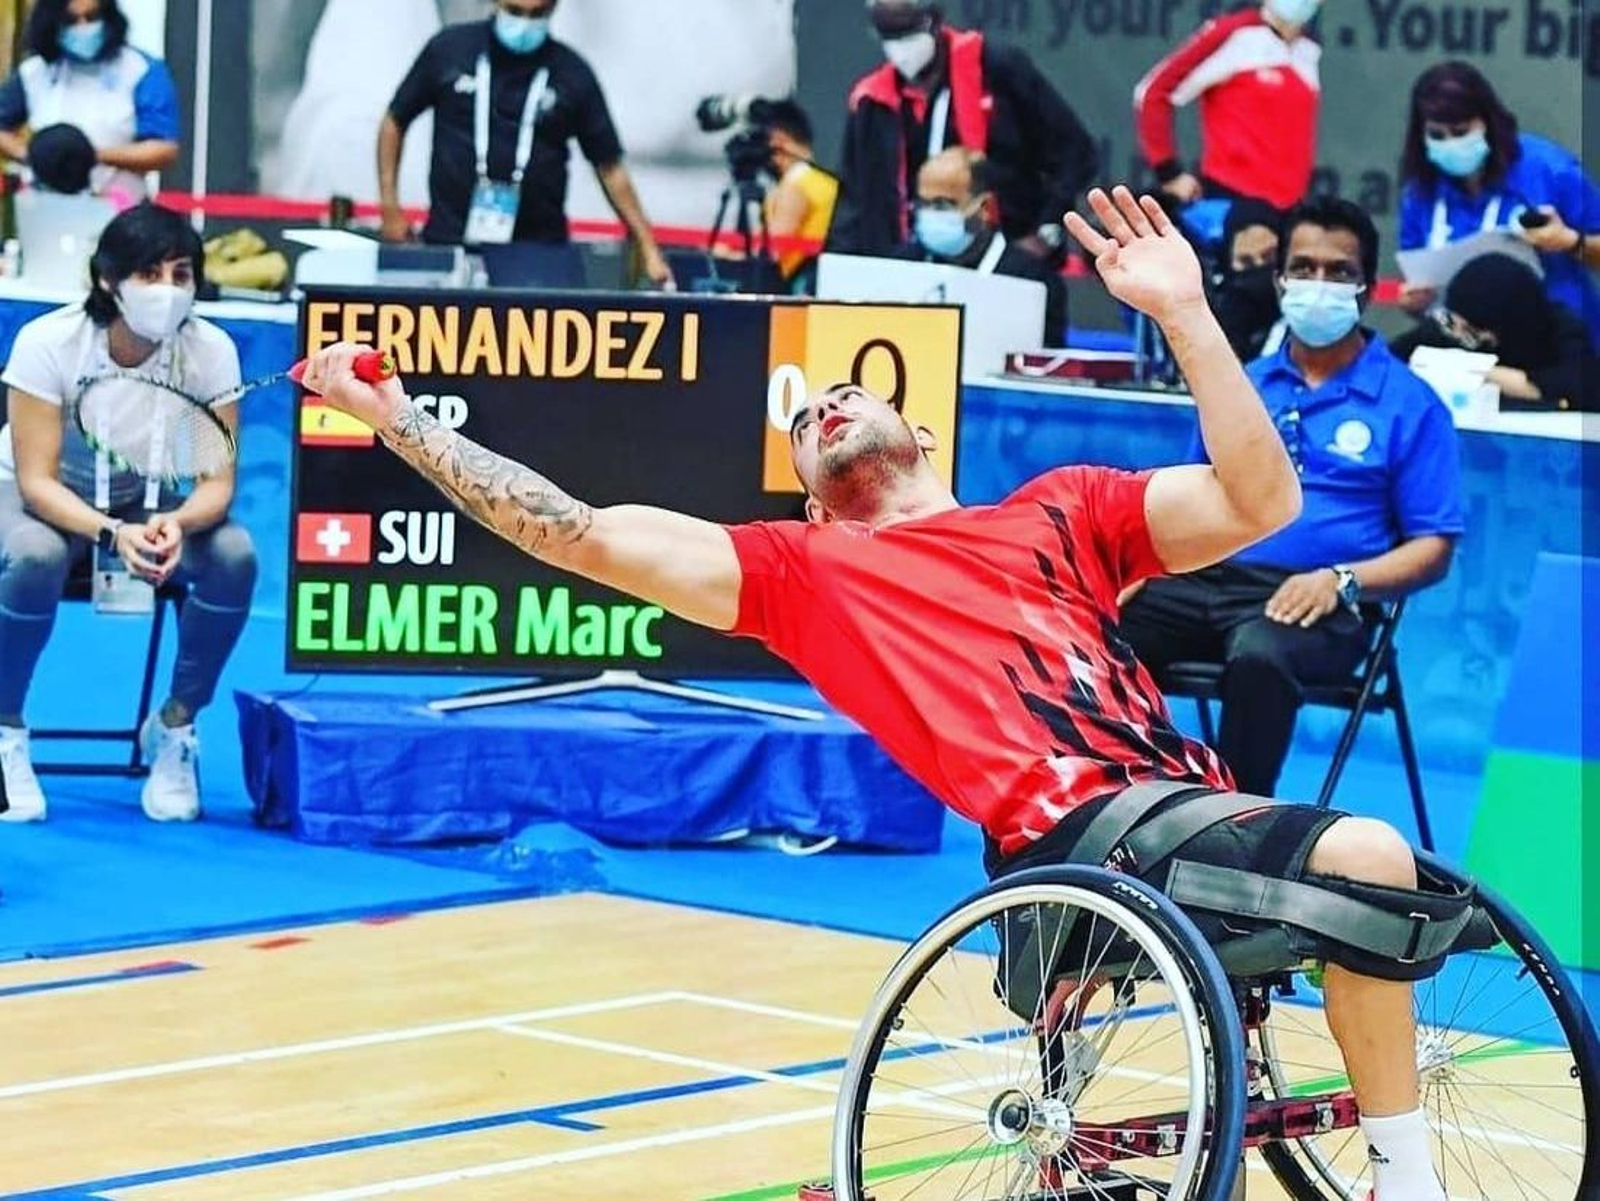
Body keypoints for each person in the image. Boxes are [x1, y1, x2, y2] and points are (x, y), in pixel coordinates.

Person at [304, 185, 1462, 1201]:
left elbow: (1260, 505)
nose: (822, 408)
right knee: (1365, 854)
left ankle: (1383, 1152)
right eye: (805, 423)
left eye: (847, 394)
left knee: (1391, 880)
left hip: (1182, 804)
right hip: (1073, 840)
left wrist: (1188, 314)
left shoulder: (1063, 509)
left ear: (924, 431)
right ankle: (1408, 1183)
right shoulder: (802, 572)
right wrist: (394, 418)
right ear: (808, 500)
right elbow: (576, 533)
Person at [1120, 197, 1463, 799]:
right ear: (1279, 279)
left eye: (1338, 272)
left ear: (1365, 288)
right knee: (1100, 627)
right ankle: (1113, 801)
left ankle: (1232, 826)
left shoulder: (1410, 403)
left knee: (1258, 655)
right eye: (1303, 268)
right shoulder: (1242, 381)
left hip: (1320, 602)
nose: (1318, 284)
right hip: (1211, 578)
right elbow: (1191, 491)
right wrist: (1137, 566)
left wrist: (1341, 580)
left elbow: (1433, 547)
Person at [0, 203, 256, 824]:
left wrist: (181, 523)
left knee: (233, 555)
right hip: (49, 500)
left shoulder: (211, 352)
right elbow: (35, 481)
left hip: (153, 503)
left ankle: (174, 724)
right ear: (107, 280)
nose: (167, 290)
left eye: (181, 273)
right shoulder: (49, 342)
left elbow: (215, 483)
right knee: (35, 556)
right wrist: (114, 532)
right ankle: (4, 728)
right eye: (149, 274)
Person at [377, 0, 674, 287]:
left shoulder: (572, 73)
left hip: (539, 250)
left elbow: (609, 166)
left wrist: (648, 246)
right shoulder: (449, 50)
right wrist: (390, 207)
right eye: (515, 11)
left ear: (554, 8)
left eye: (538, 13)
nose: (524, 24)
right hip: (451, 239)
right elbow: (394, 122)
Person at [826, 0, 1098, 260]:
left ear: (933, 20)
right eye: (889, 35)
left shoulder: (998, 69)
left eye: (908, 32)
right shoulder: (872, 102)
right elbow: (853, 201)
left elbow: (1075, 152)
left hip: (1004, 256)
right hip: (904, 264)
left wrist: (1045, 232)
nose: (900, 47)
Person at [1396, 61, 1600, 347]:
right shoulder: (1420, 191)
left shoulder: (1550, 170)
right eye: (1437, 135)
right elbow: (1421, 282)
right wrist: (1417, 304)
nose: (1450, 143)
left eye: (1460, 131)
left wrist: (1569, 242)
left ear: (1488, 122)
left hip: (1556, 346)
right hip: (1464, 347)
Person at [1134, 0, 1321, 211]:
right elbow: (1153, 92)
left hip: (1290, 209)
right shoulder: (1235, 33)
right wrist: (1169, 173)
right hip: (1232, 201)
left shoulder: (1309, 50)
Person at [0, 0, 180, 202]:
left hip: (120, 205)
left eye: (92, 17)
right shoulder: (34, 72)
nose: (83, 28)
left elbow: (164, 149)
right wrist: (35, 156)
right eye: (71, 20)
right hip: (44, 206)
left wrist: (93, 157)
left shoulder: (140, 69)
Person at [895, 147, 1067, 342]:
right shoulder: (901, 267)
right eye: (923, 204)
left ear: (984, 207)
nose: (930, 213)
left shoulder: (1033, 282)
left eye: (943, 204)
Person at [1391, 253, 1598, 412]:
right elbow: (1388, 360)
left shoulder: (1561, 329)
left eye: (1470, 330)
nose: (1458, 333)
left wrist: (1472, 370)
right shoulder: (1453, 327)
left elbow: (1573, 389)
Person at [760, 99, 838, 286]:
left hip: (801, 286)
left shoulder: (795, 184)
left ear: (778, 140)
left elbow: (773, 249)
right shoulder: (829, 182)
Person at [1211, 196, 1286, 362]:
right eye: (1246, 261)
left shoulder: (1301, 322)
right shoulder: (1213, 328)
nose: (1260, 267)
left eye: (1269, 257)